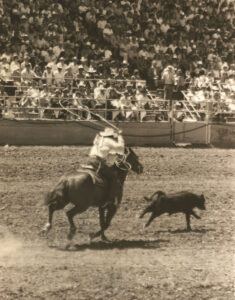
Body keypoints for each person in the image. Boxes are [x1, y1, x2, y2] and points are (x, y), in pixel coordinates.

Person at [88, 127, 125, 207]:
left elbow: (107, 150)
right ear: (111, 136)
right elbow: (121, 148)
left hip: (90, 160)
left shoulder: (98, 139)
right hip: (98, 162)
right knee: (114, 178)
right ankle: (109, 199)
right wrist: (119, 136)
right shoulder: (109, 141)